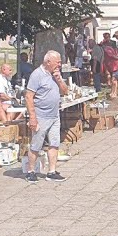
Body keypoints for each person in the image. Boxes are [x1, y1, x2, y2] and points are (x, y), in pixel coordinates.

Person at [24, 50, 71, 183]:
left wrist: (59, 80)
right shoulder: (37, 75)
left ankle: (51, 171)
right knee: (36, 144)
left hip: (55, 115)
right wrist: (32, 117)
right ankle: (31, 171)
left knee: (55, 143)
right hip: (41, 116)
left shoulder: (55, 75)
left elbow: (65, 91)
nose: (60, 65)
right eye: (58, 62)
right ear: (48, 62)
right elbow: (29, 96)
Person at [101, 33, 118, 99]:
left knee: (113, 80)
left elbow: (112, 55)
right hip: (110, 64)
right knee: (113, 80)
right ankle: (113, 92)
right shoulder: (103, 45)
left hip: (115, 64)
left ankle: (114, 93)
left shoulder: (109, 46)